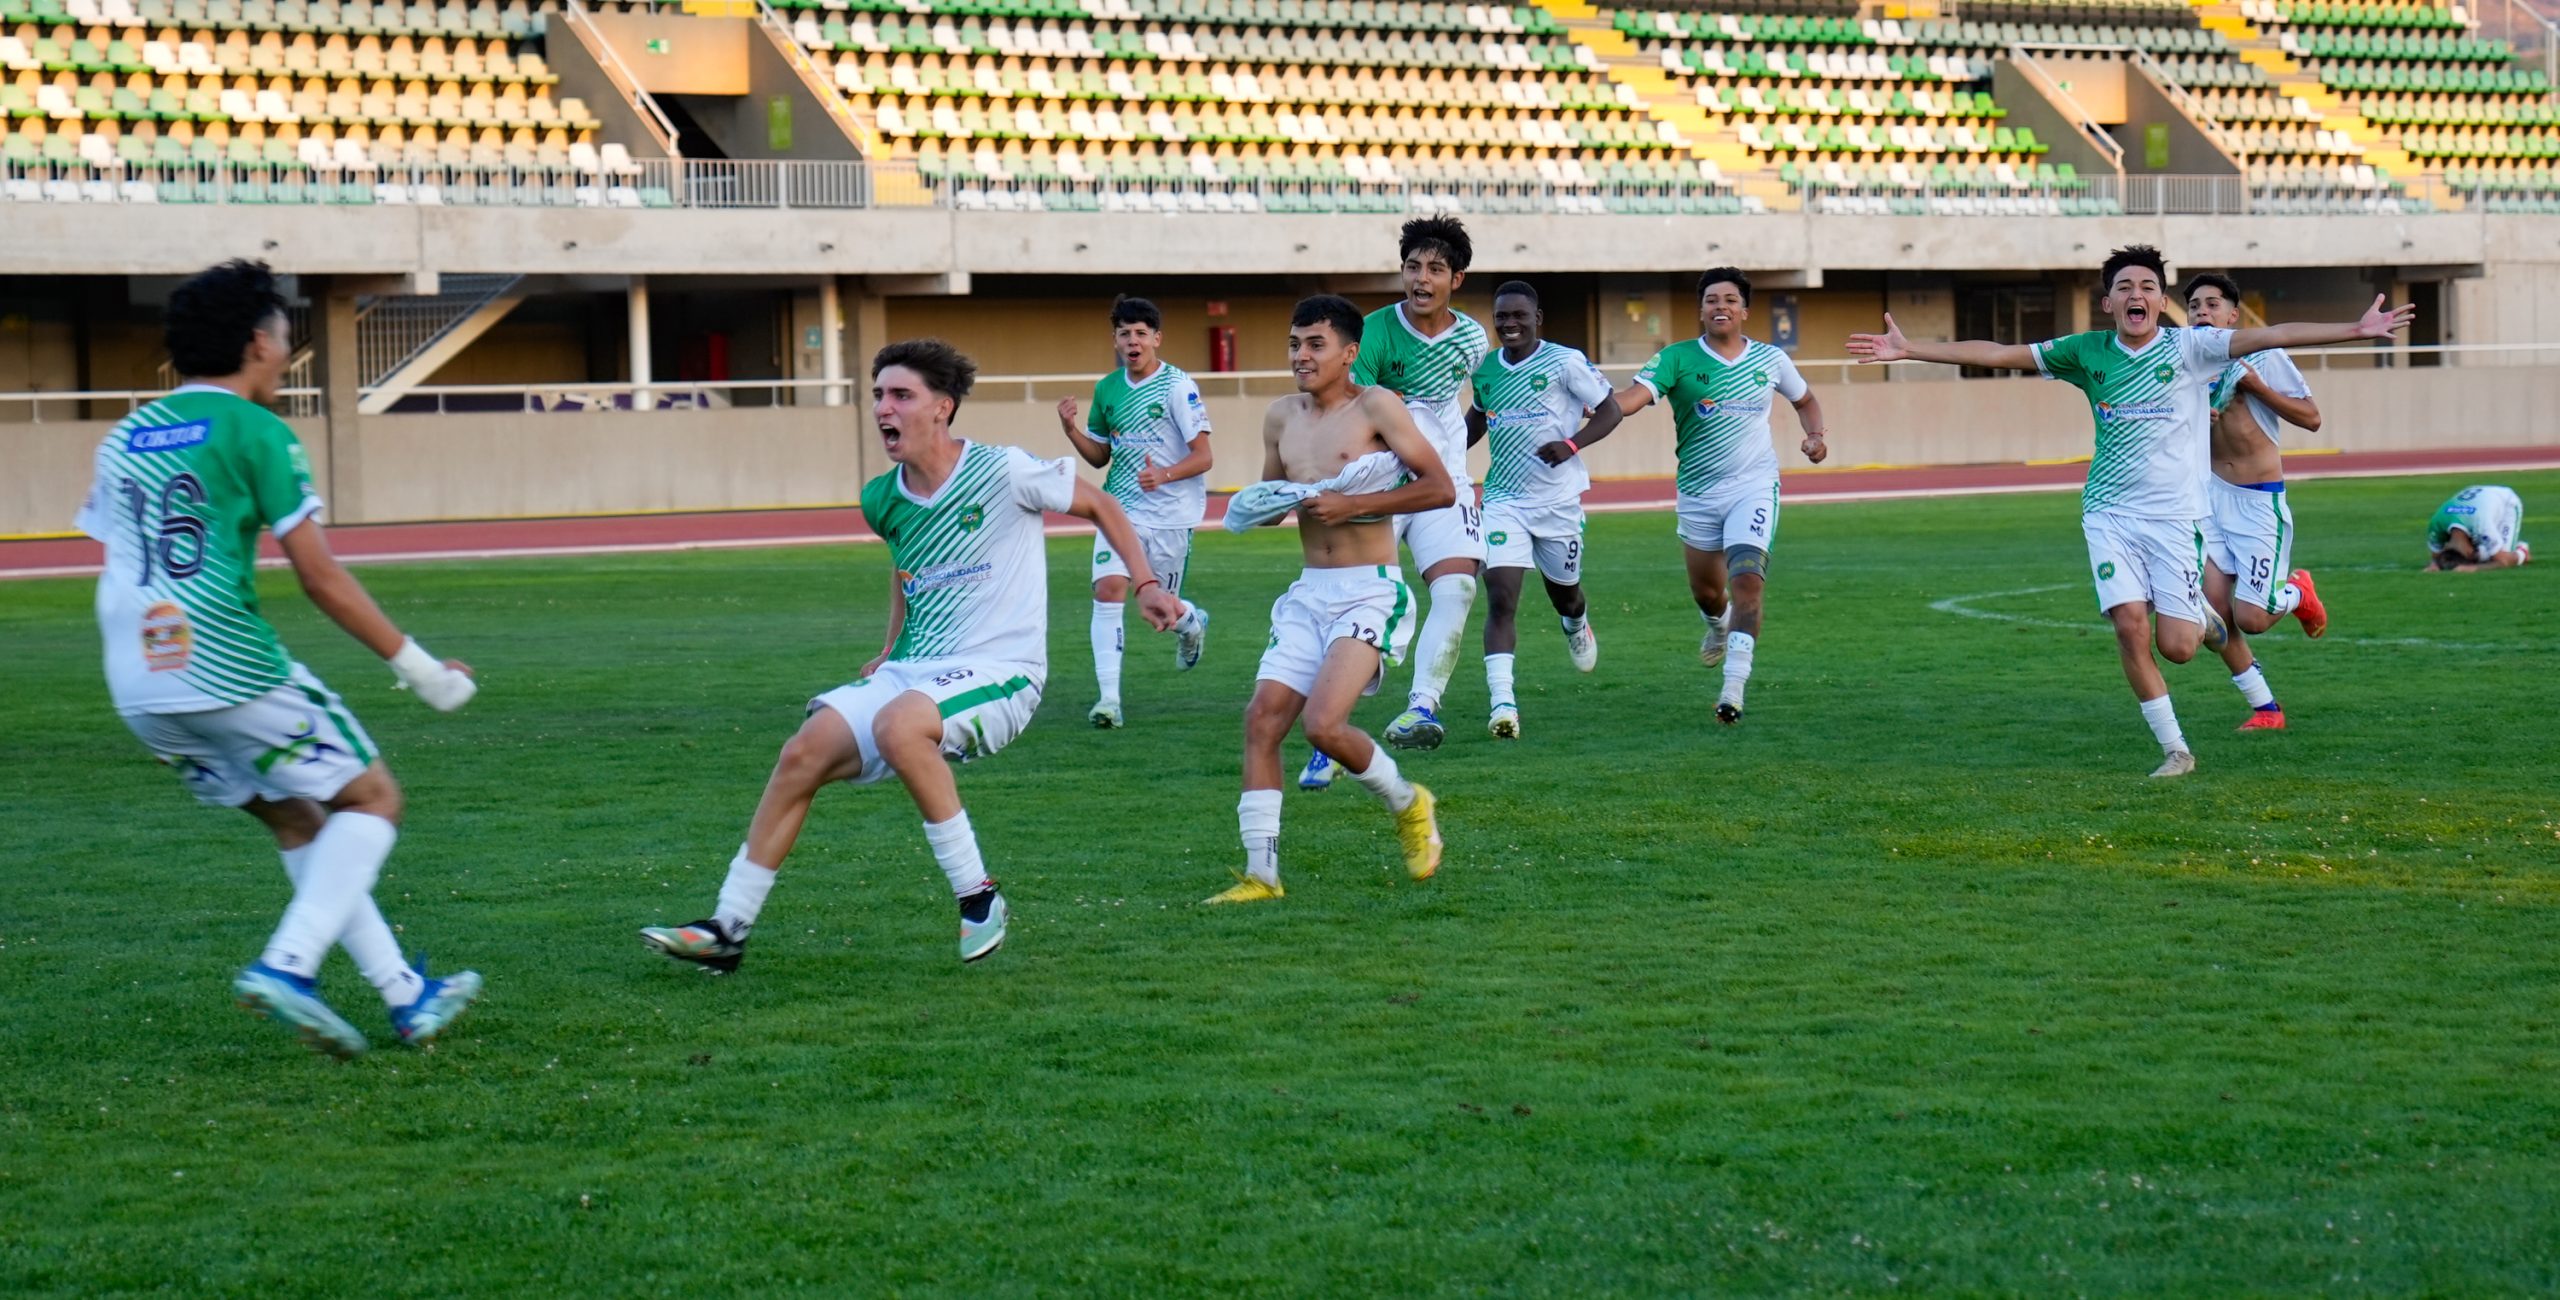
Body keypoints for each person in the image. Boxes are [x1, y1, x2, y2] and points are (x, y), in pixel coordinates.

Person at [643, 340, 1182, 969]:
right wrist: (889, 647)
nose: (883, 408)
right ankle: (727, 928)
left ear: (942, 408)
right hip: (916, 669)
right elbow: (908, 569)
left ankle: (979, 897)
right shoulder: (883, 498)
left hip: (1002, 671)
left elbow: (1103, 503)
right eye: (878, 395)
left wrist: (1145, 583)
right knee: (803, 751)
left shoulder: (1002, 469)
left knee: (900, 727)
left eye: (901, 395)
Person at [77, 259, 483, 1059]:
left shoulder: (125, 437)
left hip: (137, 678)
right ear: (258, 342)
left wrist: (156, 687)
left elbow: (115, 558)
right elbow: (320, 576)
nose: (288, 355)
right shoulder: (256, 430)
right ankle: (288, 965)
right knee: (373, 799)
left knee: (300, 820)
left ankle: (406, 996)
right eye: (286, 339)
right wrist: (425, 672)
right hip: (225, 666)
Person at [1848, 245, 2415, 776]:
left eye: (2147, 286)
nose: (2135, 294)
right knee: (2129, 624)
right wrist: (1911, 349)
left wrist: (2355, 330)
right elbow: (2000, 353)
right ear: (2108, 302)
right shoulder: (2086, 351)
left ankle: (2203, 621)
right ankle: (2176, 751)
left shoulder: (2191, 349)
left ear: (2160, 301)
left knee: (2179, 648)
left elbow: (2278, 334)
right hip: (2109, 514)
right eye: (2124, 287)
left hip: (2177, 520)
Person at [1208, 295, 1455, 904]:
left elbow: (1440, 488)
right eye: (1294, 344)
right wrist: (1255, 507)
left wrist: (1354, 504)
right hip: (1308, 593)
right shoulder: (1280, 417)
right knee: (1262, 721)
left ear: (1349, 354)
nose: (1301, 355)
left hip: (1370, 590)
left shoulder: (1377, 406)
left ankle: (1409, 802)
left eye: (1316, 345)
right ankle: (1261, 877)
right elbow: (1273, 500)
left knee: (1322, 726)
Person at [1302, 215, 1488, 775]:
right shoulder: (1374, 333)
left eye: (1435, 269)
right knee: (1356, 603)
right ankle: (1328, 737)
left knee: (1457, 587)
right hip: (1380, 482)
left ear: (1457, 278)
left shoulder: (1473, 339)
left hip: (1442, 481)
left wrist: (1457, 456)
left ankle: (1421, 708)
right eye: (1412, 267)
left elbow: (1479, 402)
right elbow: (1353, 410)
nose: (1421, 278)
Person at [1613, 267, 1831, 726]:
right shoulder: (1677, 358)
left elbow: (1806, 401)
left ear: (1744, 311)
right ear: (1701, 310)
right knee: (1708, 593)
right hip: (1697, 493)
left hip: (1754, 487)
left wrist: (1816, 436)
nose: (1721, 307)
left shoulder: (1770, 359)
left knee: (1747, 581)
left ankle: (1732, 690)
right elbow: (1634, 397)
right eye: (1712, 300)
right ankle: (1717, 625)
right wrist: (1600, 406)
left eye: (1730, 300)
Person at [1464, 280, 1621, 738]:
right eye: (1501, 317)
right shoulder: (1486, 369)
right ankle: (1503, 704)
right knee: (1501, 596)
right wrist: (1437, 454)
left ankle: (1576, 623)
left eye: (1519, 315)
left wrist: (1572, 445)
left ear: (1537, 319)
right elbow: (1476, 420)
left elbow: (1610, 410)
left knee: (1565, 595)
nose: (1509, 324)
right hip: (1503, 501)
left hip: (1557, 503)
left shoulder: (1565, 362)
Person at [1054, 295, 1214, 728]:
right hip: (1120, 510)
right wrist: (1071, 430)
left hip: (1171, 516)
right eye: (1124, 334)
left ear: (1157, 338)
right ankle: (1109, 701)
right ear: (1115, 341)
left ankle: (1190, 624)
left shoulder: (1177, 386)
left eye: (1141, 333)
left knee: (1164, 609)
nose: (1132, 341)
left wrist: (1163, 475)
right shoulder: (1107, 389)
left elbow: (1204, 457)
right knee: (1108, 589)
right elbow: (1099, 456)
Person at [2183, 272, 2331, 732]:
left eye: (2212, 304)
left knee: (2252, 618)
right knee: (2213, 611)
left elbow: (2312, 418)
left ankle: (2298, 593)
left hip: (2257, 502)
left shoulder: (2264, 356)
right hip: (2208, 498)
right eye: (2193, 306)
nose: (2201, 312)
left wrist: (2256, 387)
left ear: (2233, 315)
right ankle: (2266, 708)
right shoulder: (2184, 362)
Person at [2425, 485, 2531, 570]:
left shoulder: (2482, 527)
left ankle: (2522, 552)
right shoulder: (2436, 525)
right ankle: (2484, 552)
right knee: (2491, 552)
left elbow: (2504, 561)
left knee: (2504, 556)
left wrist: (2474, 568)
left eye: (2472, 554)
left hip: (2506, 500)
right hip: (2477, 498)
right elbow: (2436, 556)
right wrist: (2436, 565)